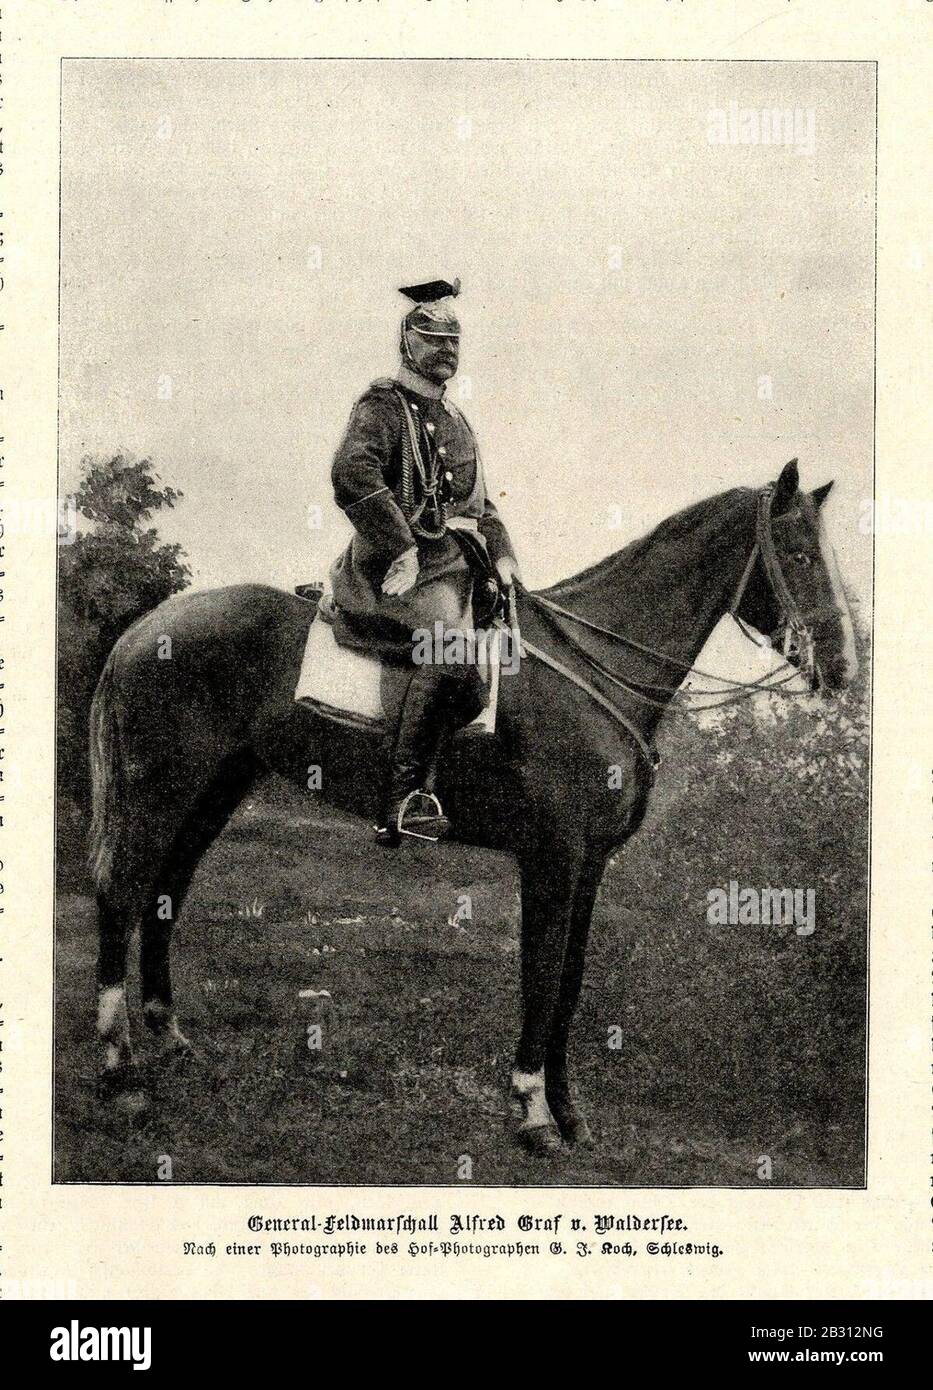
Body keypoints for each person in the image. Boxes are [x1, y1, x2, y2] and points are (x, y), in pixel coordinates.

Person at [329, 277, 518, 845]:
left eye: (454, 341)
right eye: (433, 338)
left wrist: (505, 558)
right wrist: (401, 545)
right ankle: (404, 800)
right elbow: (351, 474)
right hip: (393, 565)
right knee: (449, 648)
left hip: (460, 565)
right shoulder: (381, 406)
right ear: (406, 342)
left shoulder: (460, 423)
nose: (447, 350)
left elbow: (481, 506)